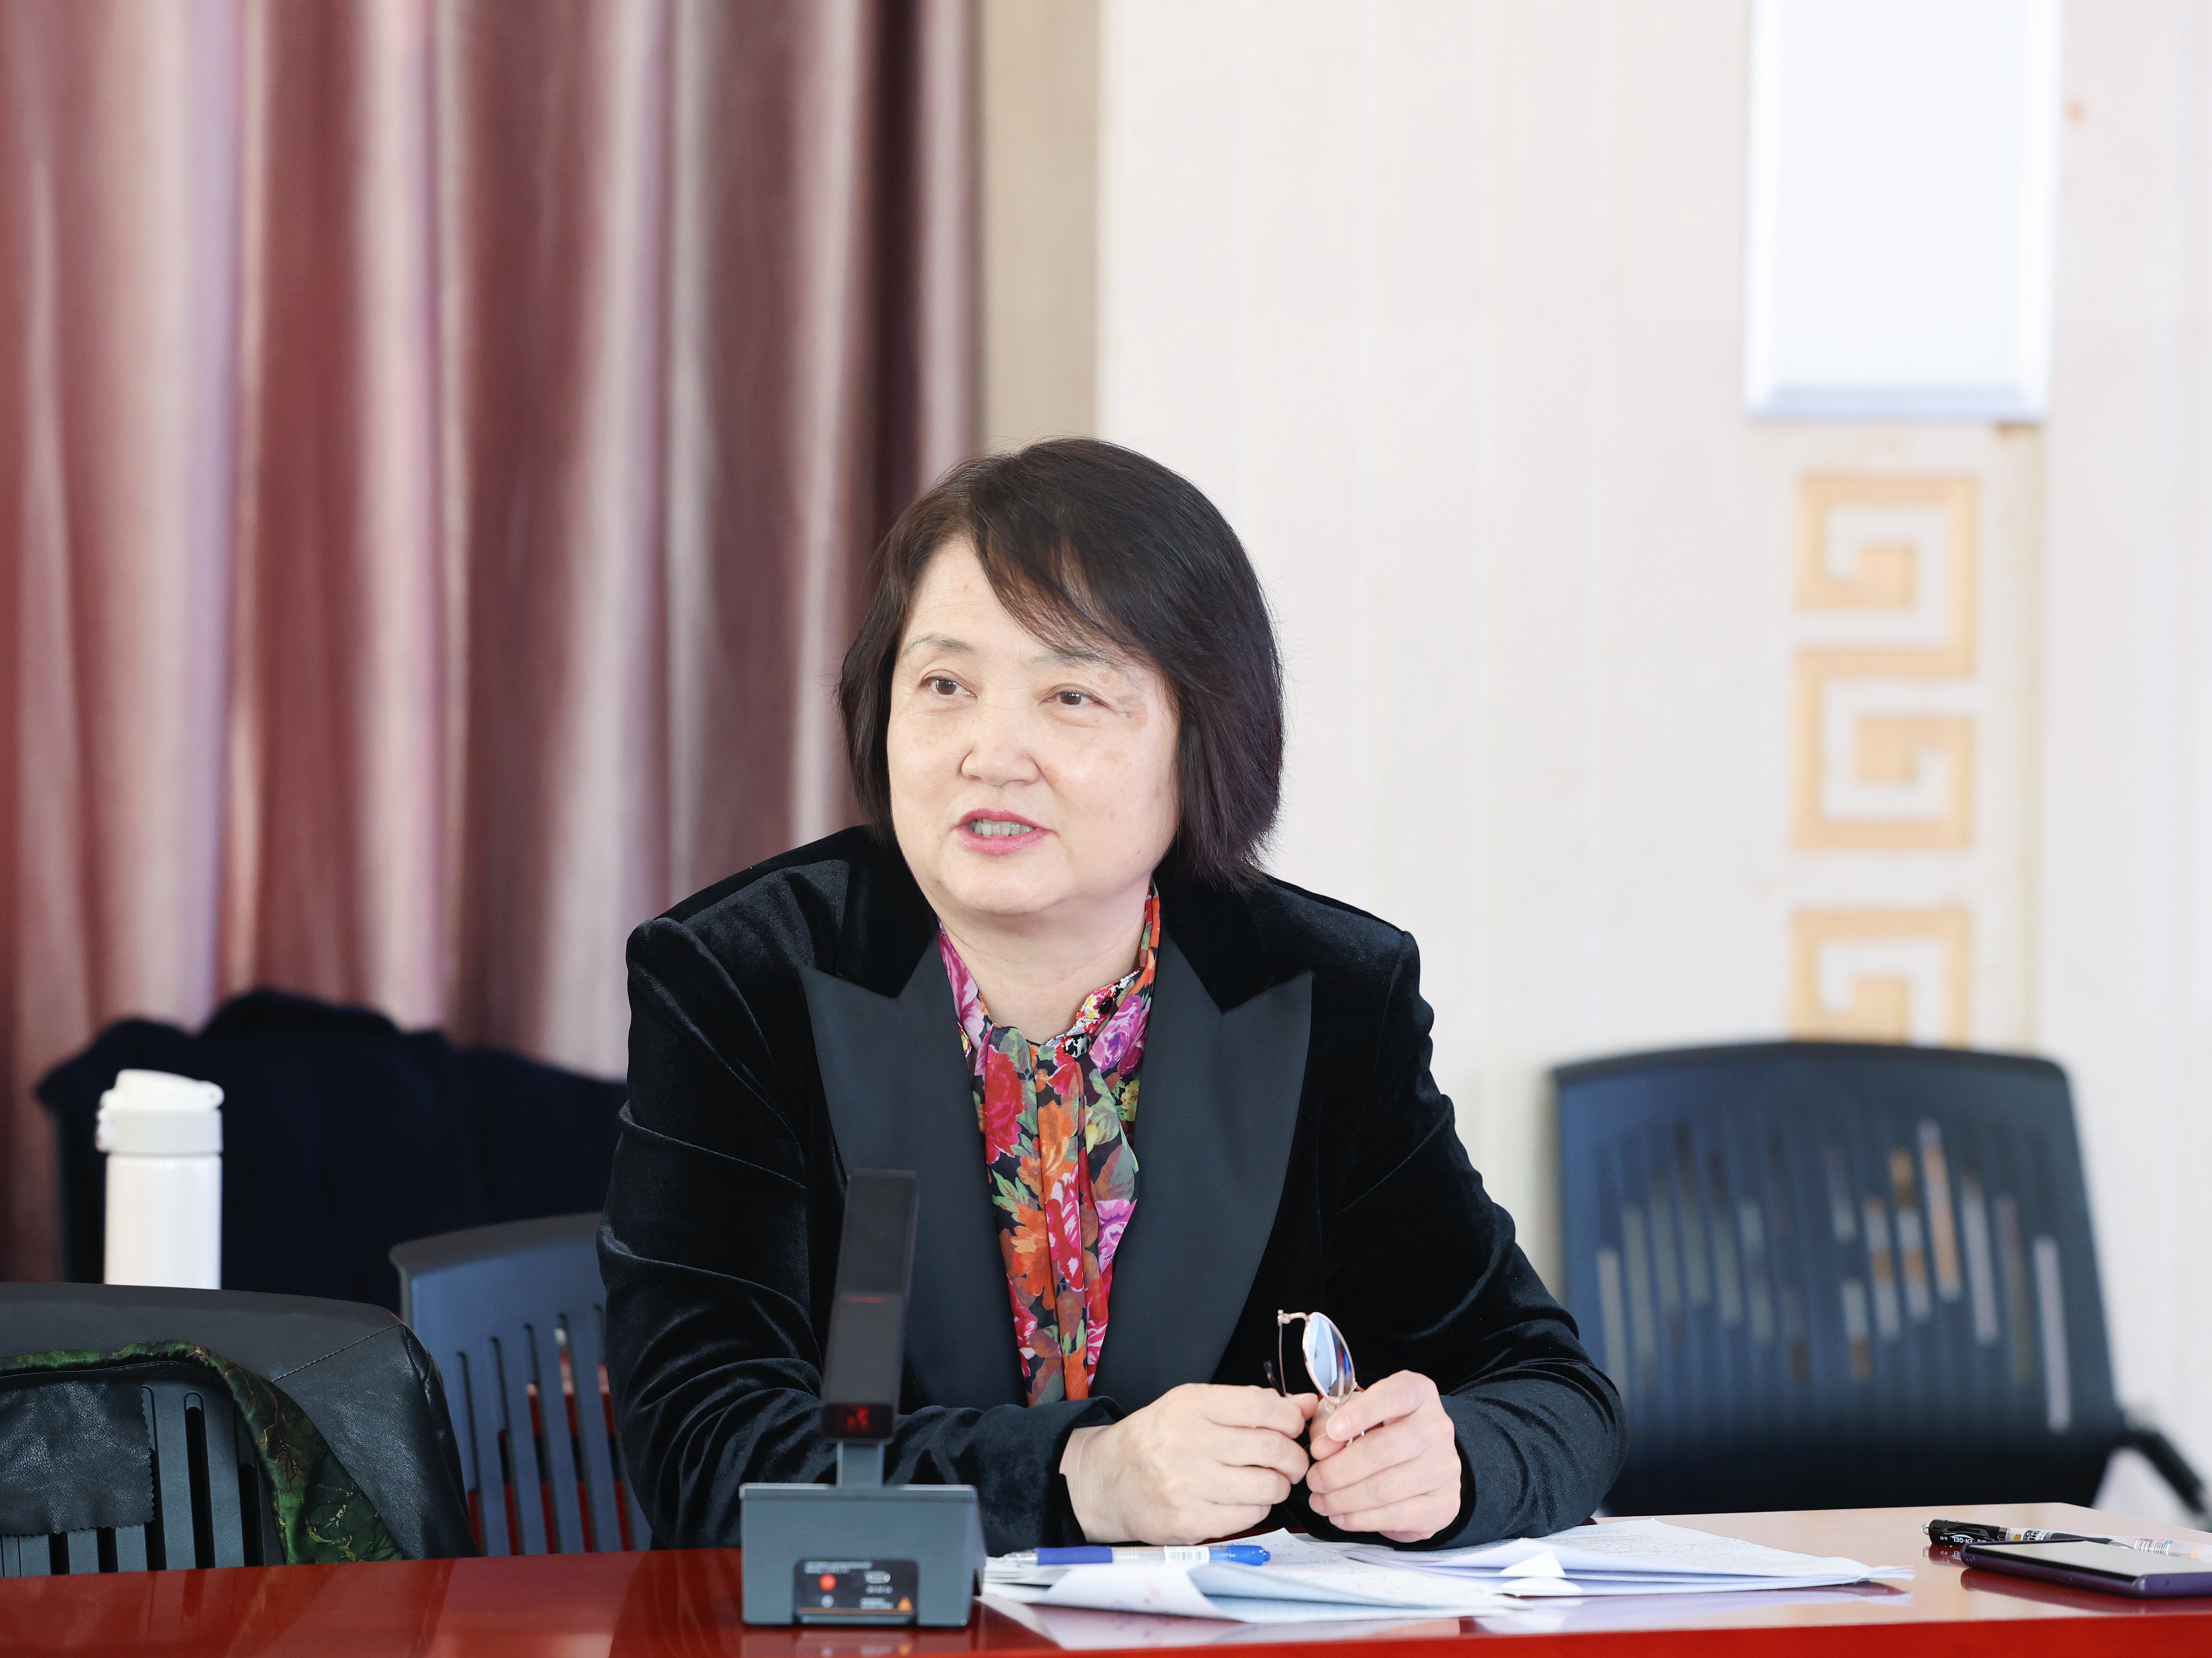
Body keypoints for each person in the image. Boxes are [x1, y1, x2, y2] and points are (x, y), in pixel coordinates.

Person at [600, 439, 1624, 1551]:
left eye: (1072, 695)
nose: (993, 754)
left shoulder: (1326, 994)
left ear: (1203, 738)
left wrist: (1454, 1464)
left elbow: (1549, 1390)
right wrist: (1083, 1475)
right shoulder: (741, 980)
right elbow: (705, 1449)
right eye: (944, 686)